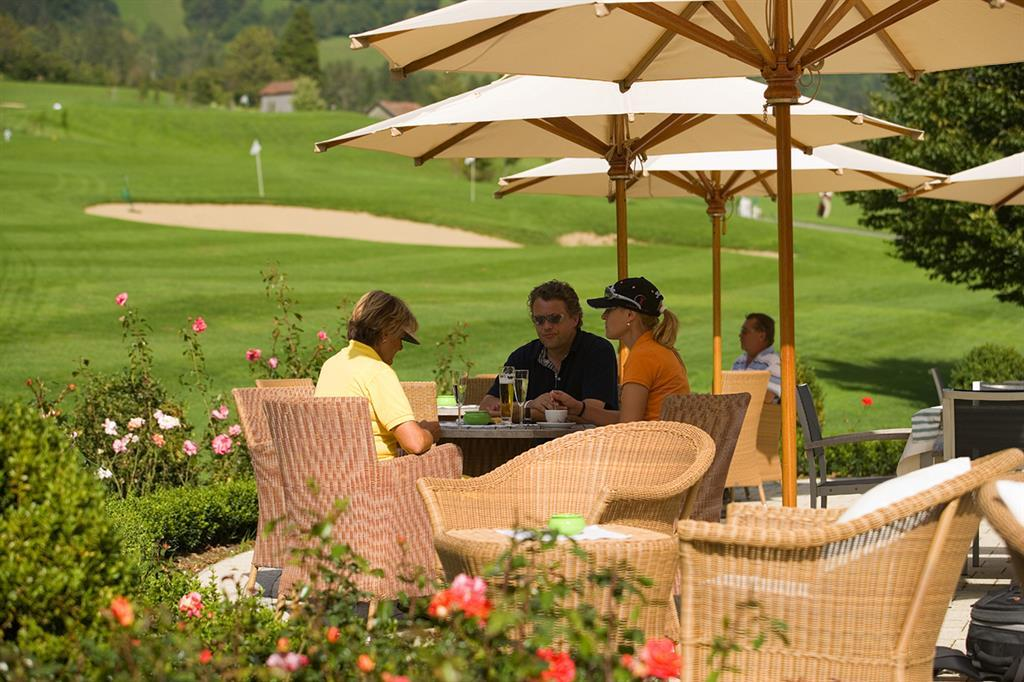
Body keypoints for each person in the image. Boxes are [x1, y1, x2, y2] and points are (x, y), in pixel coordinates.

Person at [315, 290, 439, 460]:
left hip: (334, 472)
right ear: (386, 333)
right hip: (379, 474)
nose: (401, 347)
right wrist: (429, 433)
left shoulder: (331, 365)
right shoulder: (378, 372)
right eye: (400, 337)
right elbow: (415, 444)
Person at [552, 277, 690, 423]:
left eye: (610, 309)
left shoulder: (643, 356)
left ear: (630, 315)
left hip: (653, 437)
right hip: (661, 436)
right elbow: (628, 418)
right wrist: (580, 409)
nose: (604, 316)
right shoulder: (652, 349)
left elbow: (628, 425)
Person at [479, 280, 619, 420]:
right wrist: (531, 404)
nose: (546, 326)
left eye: (555, 318)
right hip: (532, 436)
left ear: (575, 319)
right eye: (539, 320)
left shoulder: (597, 352)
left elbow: (590, 413)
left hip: (587, 435)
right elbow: (487, 407)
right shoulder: (522, 356)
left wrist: (525, 412)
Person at [732, 312, 782, 403]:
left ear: (762, 336)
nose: (740, 335)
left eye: (744, 332)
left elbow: (767, 397)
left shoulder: (775, 362)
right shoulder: (739, 361)